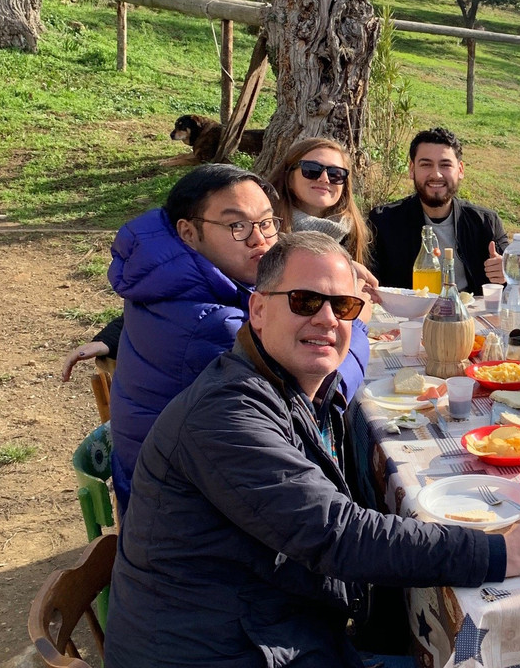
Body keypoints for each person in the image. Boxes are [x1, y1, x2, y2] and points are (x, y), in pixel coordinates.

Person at [104, 232, 520, 667]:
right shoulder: (226, 415)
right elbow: (339, 536)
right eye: (304, 301)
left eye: (343, 306)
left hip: (272, 626)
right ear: (258, 309)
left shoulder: (302, 388)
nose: (327, 319)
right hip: (227, 649)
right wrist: (505, 552)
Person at [106, 164, 371, 513]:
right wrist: (356, 320)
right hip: (192, 514)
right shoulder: (216, 328)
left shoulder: (167, 279)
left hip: (165, 486)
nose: (259, 239)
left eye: (266, 222)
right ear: (188, 232)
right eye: (237, 226)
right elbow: (313, 393)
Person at [368, 127, 508, 294]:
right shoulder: (383, 222)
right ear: (412, 169)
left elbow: (514, 273)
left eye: (445, 165)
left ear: (460, 170)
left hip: (468, 310)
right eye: (426, 165)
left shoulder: (486, 223)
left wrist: (506, 272)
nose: (436, 174)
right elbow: (368, 284)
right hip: (407, 310)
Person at [267, 137, 372, 266]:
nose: (324, 178)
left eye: (335, 173)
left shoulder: (357, 236)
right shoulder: (265, 229)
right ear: (289, 177)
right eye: (312, 169)